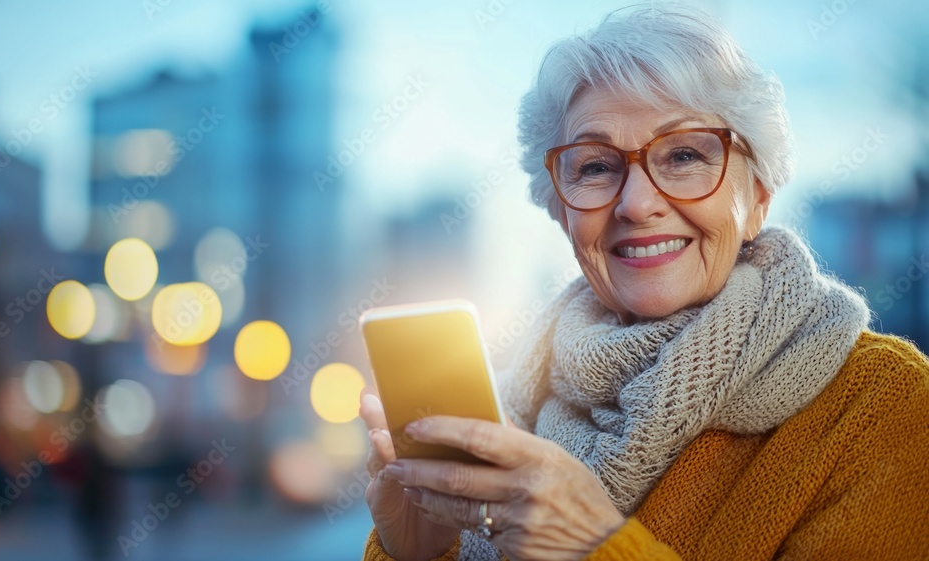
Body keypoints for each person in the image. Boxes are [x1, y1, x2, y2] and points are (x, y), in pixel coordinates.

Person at [359, 5, 929, 560]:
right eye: (597, 167)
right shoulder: (510, 410)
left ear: (756, 199)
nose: (636, 203)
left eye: (684, 155)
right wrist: (419, 553)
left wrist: (594, 546)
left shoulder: (884, 404)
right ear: (561, 212)